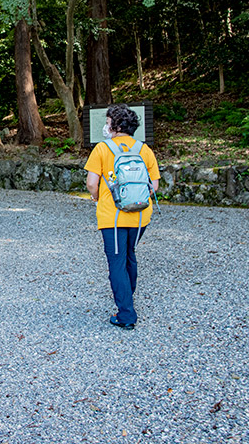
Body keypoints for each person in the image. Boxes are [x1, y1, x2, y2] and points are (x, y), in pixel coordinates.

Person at [84, 103, 160, 330]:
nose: (105, 127)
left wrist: (97, 197)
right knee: (129, 255)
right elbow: (154, 185)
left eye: (108, 123)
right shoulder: (144, 150)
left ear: (116, 126)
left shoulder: (102, 149)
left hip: (112, 216)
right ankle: (127, 295)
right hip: (140, 216)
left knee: (116, 261)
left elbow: (91, 183)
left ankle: (126, 314)